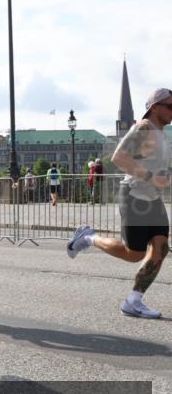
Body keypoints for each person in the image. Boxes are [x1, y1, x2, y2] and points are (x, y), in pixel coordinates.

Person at [68, 87, 171, 318]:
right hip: (134, 196)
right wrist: (150, 177)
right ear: (155, 108)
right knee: (133, 254)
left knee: (160, 248)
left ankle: (133, 300)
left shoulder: (160, 133)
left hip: (153, 199)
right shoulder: (143, 128)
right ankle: (88, 237)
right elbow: (119, 157)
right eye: (170, 107)